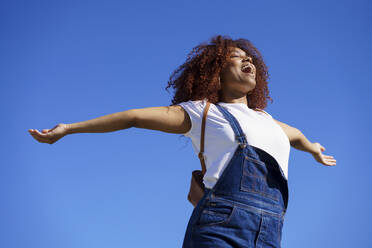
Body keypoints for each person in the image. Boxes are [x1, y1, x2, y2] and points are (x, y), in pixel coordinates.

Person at [28, 35, 336, 247]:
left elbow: (295, 135)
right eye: (236, 58)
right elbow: (134, 116)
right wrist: (69, 128)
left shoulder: (268, 121)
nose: (248, 62)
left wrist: (312, 148)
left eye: (250, 59)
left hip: (271, 232)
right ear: (216, 73)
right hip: (220, 228)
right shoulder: (202, 112)